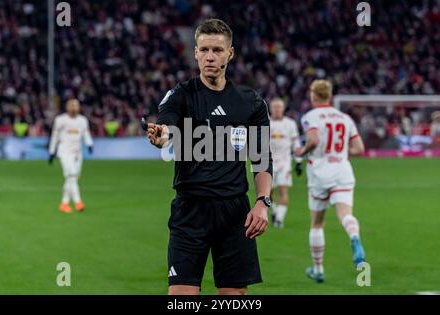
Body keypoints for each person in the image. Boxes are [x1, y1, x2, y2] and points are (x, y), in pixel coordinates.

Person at [146, 19, 273, 295]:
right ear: (195, 53)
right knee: (181, 297)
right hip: (191, 211)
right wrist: (162, 136)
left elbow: (262, 158)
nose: (210, 57)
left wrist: (263, 201)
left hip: (234, 213)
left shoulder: (250, 102)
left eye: (217, 50)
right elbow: (167, 125)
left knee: (234, 297)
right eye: (204, 50)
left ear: (230, 53)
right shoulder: (181, 94)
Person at [296, 80, 366, 283]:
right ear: (330, 95)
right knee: (346, 214)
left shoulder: (311, 116)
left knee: (317, 222)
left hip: (320, 171)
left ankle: (318, 269)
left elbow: (314, 140)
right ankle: (354, 237)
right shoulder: (345, 118)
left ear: (313, 95)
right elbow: (359, 148)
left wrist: (302, 152)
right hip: (343, 169)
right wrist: (340, 153)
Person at [49, 99, 93, 213]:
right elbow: (55, 135)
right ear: (67, 107)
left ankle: (64, 203)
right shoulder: (60, 120)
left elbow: (86, 133)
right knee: (72, 176)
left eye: (76, 106)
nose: (74, 108)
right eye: (71, 105)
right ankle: (78, 202)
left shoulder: (82, 120)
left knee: (72, 178)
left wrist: (89, 144)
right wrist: (52, 151)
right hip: (64, 152)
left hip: (77, 153)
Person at [269, 97, 302, 228]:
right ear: (271, 108)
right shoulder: (265, 122)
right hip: (267, 162)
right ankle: (275, 210)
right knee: (267, 193)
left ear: (283, 108)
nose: (277, 109)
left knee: (283, 190)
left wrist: (299, 161)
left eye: (279, 107)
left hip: (284, 163)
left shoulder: (290, 124)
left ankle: (279, 220)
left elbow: (296, 142)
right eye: (275, 107)